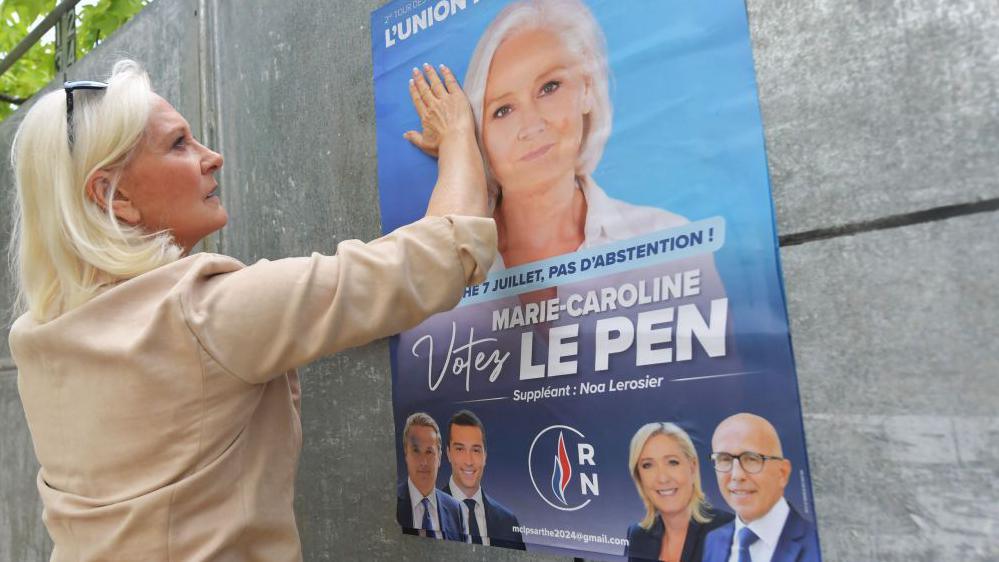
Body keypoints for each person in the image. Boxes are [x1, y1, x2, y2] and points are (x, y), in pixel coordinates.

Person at [9, 60, 492, 561]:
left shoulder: (37, 338)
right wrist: (459, 134)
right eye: (179, 144)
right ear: (114, 196)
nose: (212, 156)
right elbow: (442, 254)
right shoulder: (203, 314)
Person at [405, 0, 692, 272]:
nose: (531, 126)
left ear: (587, 89)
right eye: (503, 110)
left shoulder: (668, 238)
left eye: (549, 87)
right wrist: (457, 141)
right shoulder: (447, 275)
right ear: (480, 136)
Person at [702, 413, 821, 562]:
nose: (737, 475)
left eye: (751, 459)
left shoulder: (818, 544)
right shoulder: (714, 541)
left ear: (782, 473)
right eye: (724, 459)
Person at [625, 422, 733, 562]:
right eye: (648, 465)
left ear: (692, 467)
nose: (662, 478)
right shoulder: (637, 535)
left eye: (672, 462)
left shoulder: (729, 529)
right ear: (639, 477)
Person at [442, 409, 526, 550]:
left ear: (485, 456)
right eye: (460, 449)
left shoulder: (508, 521)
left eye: (475, 450)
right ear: (448, 453)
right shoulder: (428, 515)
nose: (468, 461)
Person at [395, 412, 465, 541]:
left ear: (439, 457)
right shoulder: (390, 503)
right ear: (406, 454)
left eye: (429, 452)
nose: (423, 462)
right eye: (416, 451)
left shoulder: (456, 511)